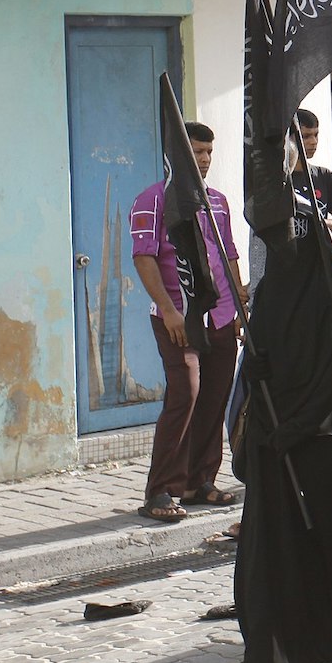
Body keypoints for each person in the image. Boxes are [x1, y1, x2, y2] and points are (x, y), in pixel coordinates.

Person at [231, 167, 332, 663]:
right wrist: (256, 369)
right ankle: (271, 640)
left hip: (317, 442)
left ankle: (323, 636)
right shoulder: (270, 293)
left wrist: (302, 426)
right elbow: (256, 365)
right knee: (268, 551)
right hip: (272, 440)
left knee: (320, 543)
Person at [131, 120, 244, 523]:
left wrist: (238, 307)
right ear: (176, 156)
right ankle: (161, 490)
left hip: (221, 315)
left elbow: (228, 253)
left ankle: (200, 482)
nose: (205, 159)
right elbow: (143, 257)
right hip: (177, 316)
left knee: (214, 396)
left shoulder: (217, 202)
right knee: (186, 393)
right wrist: (168, 309)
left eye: (209, 152)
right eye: (197, 152)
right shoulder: (152, 200)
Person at [291, 108, 332, 245]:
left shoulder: (324, 176)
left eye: (316, 135)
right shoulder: (277, 179)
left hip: (318, 256)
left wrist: (317, 224)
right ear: (288, 139)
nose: (313, 141)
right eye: (305, 136)